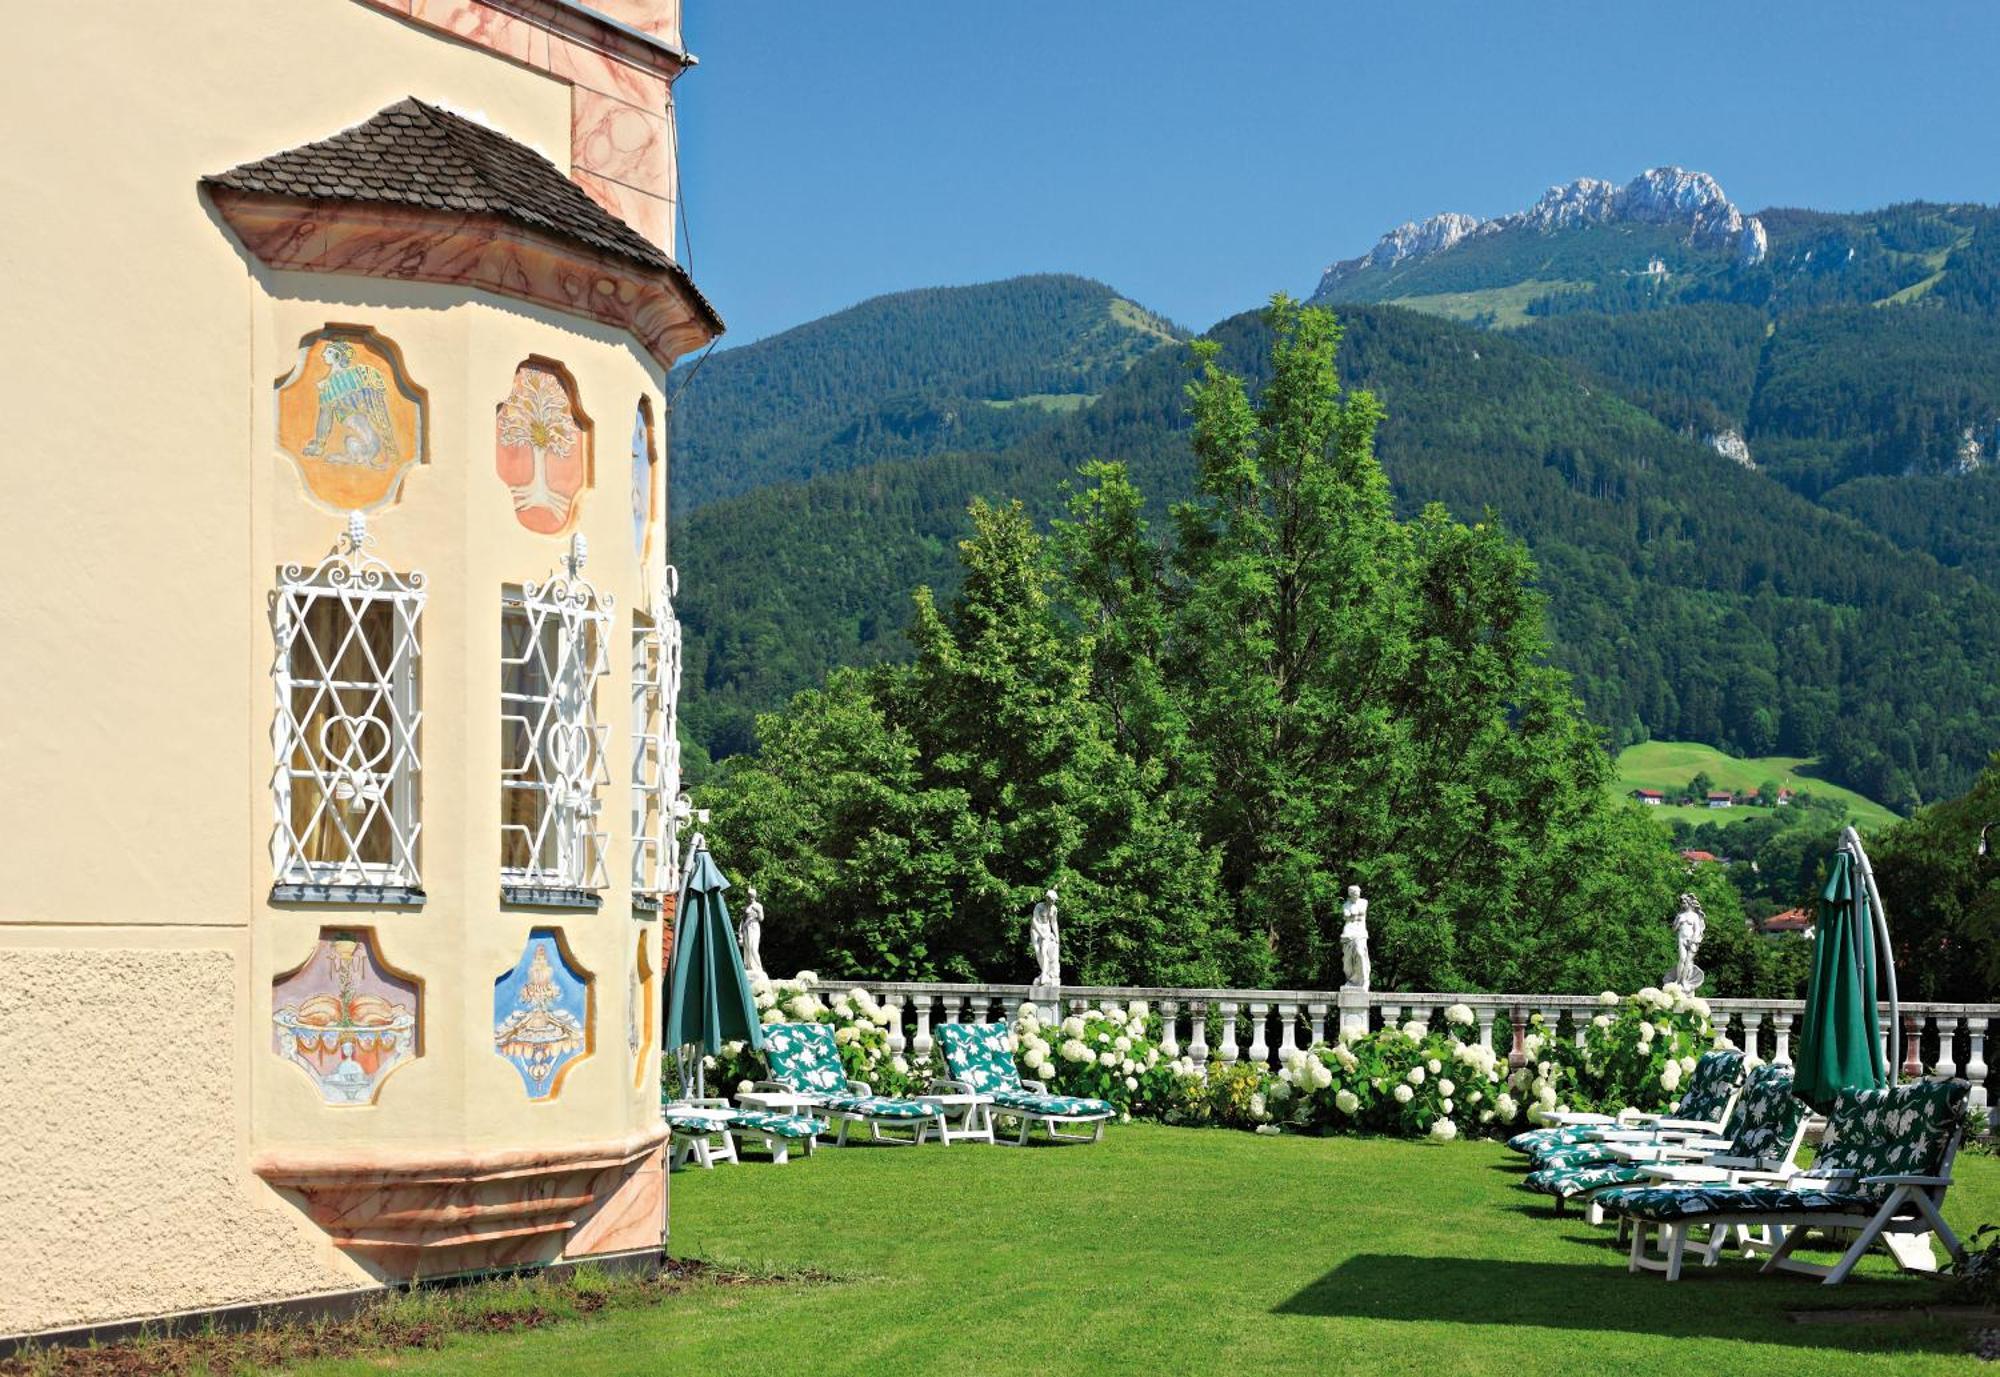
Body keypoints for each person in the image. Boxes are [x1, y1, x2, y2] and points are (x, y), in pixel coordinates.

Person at [1340, 885, 1371, 991]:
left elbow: (1357, 913)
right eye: (1352, 891)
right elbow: (1347, 915)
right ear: (1349, 893)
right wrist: (1350, 915)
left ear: (1360, 892)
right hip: (1348, 932)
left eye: (1357, 891)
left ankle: (1364, 980)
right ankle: (1352, 981)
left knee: (1360, 953)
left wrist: (1351, 915)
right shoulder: (1346, 905)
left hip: (1360, 932)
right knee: (1347, 960)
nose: (1355, 893)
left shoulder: (1364, 902)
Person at [1029, 887, 1061, 987]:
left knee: (1044, 951)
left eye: (1054, 901)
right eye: (1050, 900)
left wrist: (1057, 936)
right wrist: (1040, 933)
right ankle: (1044, 971)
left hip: (1046, 930)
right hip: (1036, 930)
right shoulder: (1039, 906)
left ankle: (1044, 974)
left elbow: (1054, 923)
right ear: (1046, 898)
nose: (1052, 902)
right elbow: (1034, 921)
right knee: (1038, 951)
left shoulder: (1054, 909)